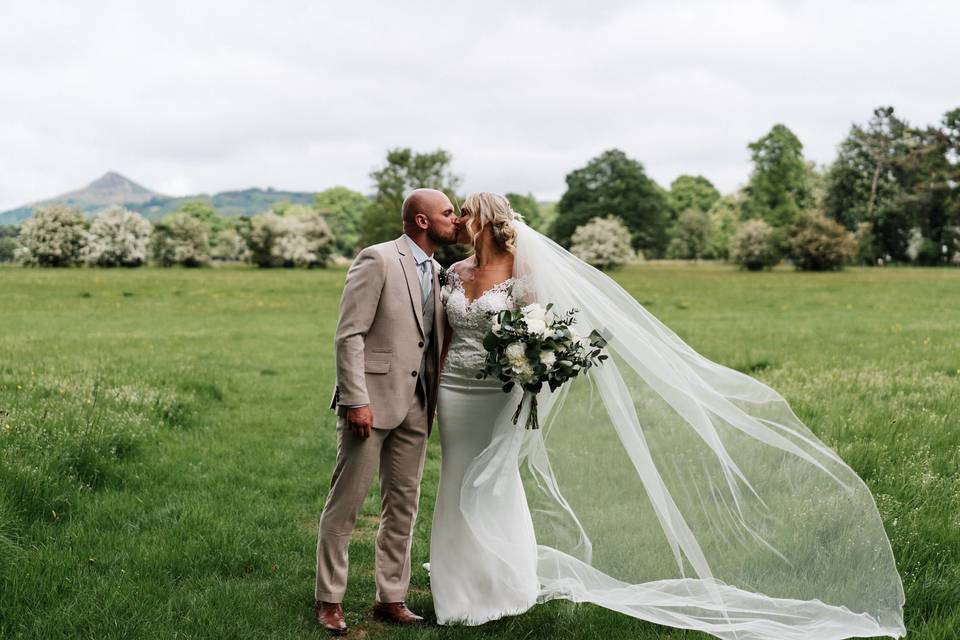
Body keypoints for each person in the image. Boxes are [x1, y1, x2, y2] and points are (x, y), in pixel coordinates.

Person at [429, 192, 906, 640]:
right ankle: (456, 589)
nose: (458, 222)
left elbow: (539, 335)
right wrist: (432, 388)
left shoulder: (524, 275)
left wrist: (532, 371)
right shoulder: (454, 274)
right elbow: (446, 337)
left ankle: (503, 585)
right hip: (454, 388)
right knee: (455, 475)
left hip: (500, 391)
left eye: (465, 214)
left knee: (495, 478)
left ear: (487, 222)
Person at [314, 188, 457, 635]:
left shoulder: (439, 271)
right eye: (448, 213)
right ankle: (329, 600)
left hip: (418, 404)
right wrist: (356, 399)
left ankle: (390, 598)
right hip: (370, 404)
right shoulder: (376, 259)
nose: (456, 220)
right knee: (347, 505)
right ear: (421, 221)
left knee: (404, 506)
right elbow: (349, 334)